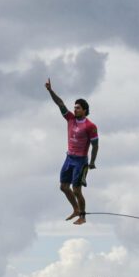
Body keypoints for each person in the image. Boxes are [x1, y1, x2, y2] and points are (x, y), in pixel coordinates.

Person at [45, 78, 99, 225]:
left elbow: (95, 145)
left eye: (78, 108)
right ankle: (75, 209)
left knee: (76, 190)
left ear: (85, 110)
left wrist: (92, 162)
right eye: (74, 107)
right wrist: (50, 91)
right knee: (63, 187)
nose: (75, 110)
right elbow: (60, 103)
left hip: (81, 162)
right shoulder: (70, 119)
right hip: (69, 158)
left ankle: (82, 216)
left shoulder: (90, 126)